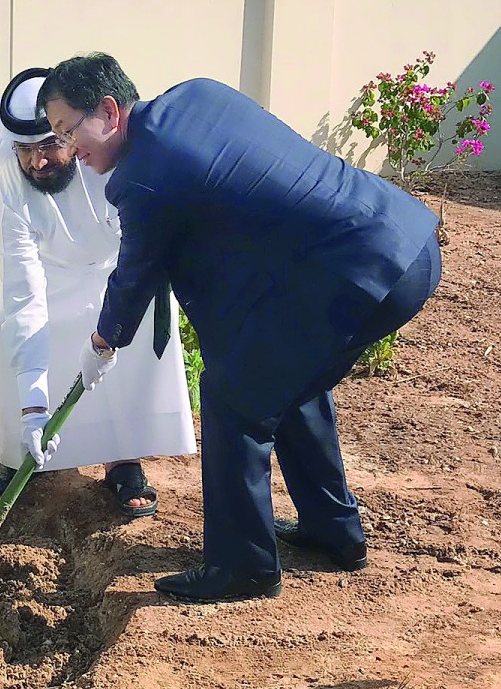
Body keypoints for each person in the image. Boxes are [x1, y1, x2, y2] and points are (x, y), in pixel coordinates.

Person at [38, 54, 442, 603]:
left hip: (358, 270)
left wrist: (102, 342)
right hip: (403, 241)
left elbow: (135, 275)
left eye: (68, 130)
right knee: (287, 383)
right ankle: (333, 531)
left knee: (231, 398)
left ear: (108, 111)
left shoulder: (143, 176)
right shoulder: (196, 94)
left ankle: (242, 567)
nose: (68, 148)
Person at [0, 68, 196, 515]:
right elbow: (22, 293)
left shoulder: (106, 160)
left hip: (118, 278)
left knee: (129, 347)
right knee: (14, 335)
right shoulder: (12, 189)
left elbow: (140, 247)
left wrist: (113, 320)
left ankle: (122, 460)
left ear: (70, 136)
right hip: (44, 284)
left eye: (50, 146)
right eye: (25, 151)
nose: (37, 162)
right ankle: (21, 456)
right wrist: (35, 408)